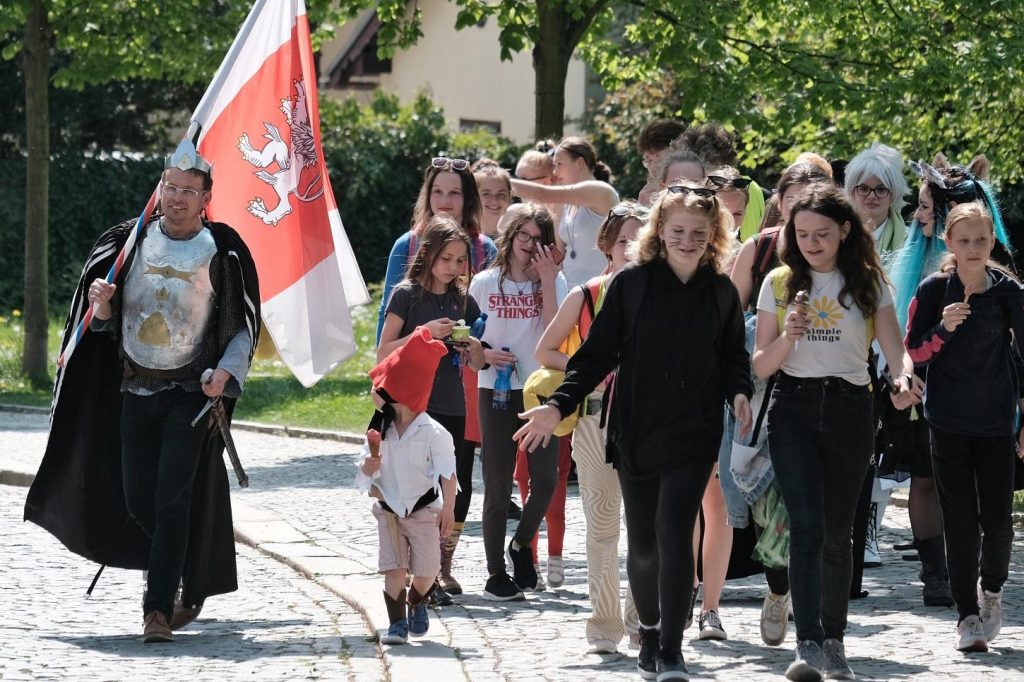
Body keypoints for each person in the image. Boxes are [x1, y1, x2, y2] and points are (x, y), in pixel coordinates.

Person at [25, 140, 261, 642]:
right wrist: (103, 307)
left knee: (171, 500)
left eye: (188, 191)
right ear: (160, 189)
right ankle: (187, 562)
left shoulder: (223, 251)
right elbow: (105, 330)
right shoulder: (128, 245)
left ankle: (156, 611)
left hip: (190, 396)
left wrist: (225, 373)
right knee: (138, 500)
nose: (177, 198)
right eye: (170, 187)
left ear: (206, 198)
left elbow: (238, 328)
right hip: (135, 391)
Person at [516, 182, 753, 681]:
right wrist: (556, 405)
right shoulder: (631, 284)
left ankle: (671, 649)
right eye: (678, 231)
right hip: (635, 430)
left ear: (714, 236)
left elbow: (733, 357)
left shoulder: (721, 292)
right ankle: (648, 630)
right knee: (644, 546)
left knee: (674, 536)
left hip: (694, 433)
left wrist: (739, 393)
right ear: (660, 231)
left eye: (699, 233)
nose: (687, 241)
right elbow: (595, 355)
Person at [752, 184, 923, 681]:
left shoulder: (868, 282)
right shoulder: (779, 283)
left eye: (822, 233)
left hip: (851, 408)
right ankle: (806, 644)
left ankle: (834, 641)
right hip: (794, 409)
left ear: (845, 230)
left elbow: (896, 350)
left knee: (837, 532)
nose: (812, 242)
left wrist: (903, 378)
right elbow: (760, 365)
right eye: (802, 233)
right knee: (806, 527)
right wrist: (789, 336)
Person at [903, 202, 1023, 652]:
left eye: (982, 240)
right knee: (960, 523)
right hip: (947, 420)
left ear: (993, 242)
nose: (974, 248)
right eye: (965, 240)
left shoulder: (1009, 292)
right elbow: (912, 351)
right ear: (949, 243)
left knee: (998, 522)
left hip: (996, 421)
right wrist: (944, 327)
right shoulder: (934, 289)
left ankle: (991, 590)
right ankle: (966, 616)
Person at [534, 200, 644, 653]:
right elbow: (545, 351)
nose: (632, 250)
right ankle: (604, 624)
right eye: (624, 242)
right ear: (607, 247)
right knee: (602, 525)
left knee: (647, 528)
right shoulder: (587, 295)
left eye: (640, 241)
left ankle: (642, 620)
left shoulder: (666, 296)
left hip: (648, 421)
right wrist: (589, 370)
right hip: (597, 418)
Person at [376, 215, 486, 597]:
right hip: (410, 407)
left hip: (452, 403)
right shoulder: (406, 295)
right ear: (427, 254)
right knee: (414, 487)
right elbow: (383, 351)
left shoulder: (463, 301)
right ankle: (414, 568)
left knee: (453, 484)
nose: (453, 267)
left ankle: (439, 566)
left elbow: (478, 363)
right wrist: (423, 334)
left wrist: (475, 348)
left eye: (460, 260)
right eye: (446, 258)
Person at [469, 203, 568, 600]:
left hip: (540, 390)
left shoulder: (555, 281)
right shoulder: (484, 282)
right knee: (497, 484)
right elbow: (467, 339)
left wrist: (547, 281)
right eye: (523, 235)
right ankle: (495, 572)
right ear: (510, 238)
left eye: (538, 239)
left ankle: (521, 544)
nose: (529, 244)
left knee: (545, 481)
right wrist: (484, 354)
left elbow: (555, 332)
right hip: (494, 389)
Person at [358, 327, 459, 645]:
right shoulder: (379, 429)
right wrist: (368, 467)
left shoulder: (434, 433)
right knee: (394, 569)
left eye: (383, 387)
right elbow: (363, 468)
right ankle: (397, 624)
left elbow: (448, 474)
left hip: (424, 510)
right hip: (388, 508)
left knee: (427, 570)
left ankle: (416, 602)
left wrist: (449, 509)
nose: (377, 392)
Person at [375, 156, 495, 342]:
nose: (445, 200)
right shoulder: (406, 244)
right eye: (437, 191)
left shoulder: (485, 248)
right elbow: (386, 309)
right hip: (412, 356)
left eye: (454, 192)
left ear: (468, 199)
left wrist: (484, 352)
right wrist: (383, 357)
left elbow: (493, 311)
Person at [510, 136, 619, 289]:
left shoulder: (600, 190)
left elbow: (541, 193)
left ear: (579, 163)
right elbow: (558, 252)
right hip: (570, 291)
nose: (555, 172)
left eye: (559, 164)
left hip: (600, 291)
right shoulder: (566, 204)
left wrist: (499, 181)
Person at [636, 118, 687, 206]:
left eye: (660, 160)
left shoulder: (705, 190)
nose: (653, 169)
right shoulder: (646, 196)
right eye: (648, 161)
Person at [473, 158, 513, 237]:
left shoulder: (512, 242)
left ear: (509, 198)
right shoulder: (458, 239)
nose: (494, 200)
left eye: (501, 194)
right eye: (486, 194)